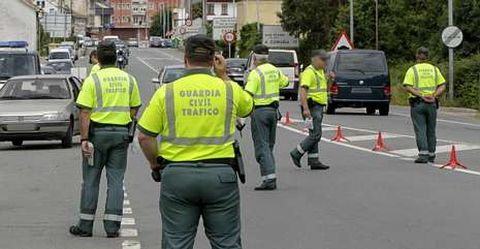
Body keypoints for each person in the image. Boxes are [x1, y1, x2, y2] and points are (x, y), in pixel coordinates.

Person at [137, 34, 253, 249]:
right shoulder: (228, 88)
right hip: (220, 176)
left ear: (185, 59)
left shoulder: (167, 92)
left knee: (176, 242)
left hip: (177, 176)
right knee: (226, 242)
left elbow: (144, 136)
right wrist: (224, 76)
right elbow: (247, 108)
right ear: (213, 60)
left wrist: (155, 165)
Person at [69, 41, 142, 238]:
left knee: (91, 180)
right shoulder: (129, 79)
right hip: (120, 135)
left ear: (98, 59)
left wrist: (84, 138)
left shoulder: (93, 80)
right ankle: (112, 227)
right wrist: (125, 120)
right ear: (116, 57)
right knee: (116, 180)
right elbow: (135, 107)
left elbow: (85, 111)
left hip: (96, 136)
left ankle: (85, 225)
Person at [244, 44, 289, 191]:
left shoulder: (255, 74)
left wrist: (241, 118)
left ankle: (269, 179)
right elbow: (286, 82)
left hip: (259, 112)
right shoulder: (274, 70)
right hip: (273, 111)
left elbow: (248, 95)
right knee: (269, 146)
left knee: (262, 147)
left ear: (255, 57)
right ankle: (270, 173)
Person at [290, 50, 332, 170]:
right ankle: (297, 152)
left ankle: (314, 160)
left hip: (319, 106)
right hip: (312, 106)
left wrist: (330, 79)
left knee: (313, 133)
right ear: (315, 59)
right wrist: (306, 109)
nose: (325, 63)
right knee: (316, 135)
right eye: (323, 60)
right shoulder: (309, 72)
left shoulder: (319, 72)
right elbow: (303, 91)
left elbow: (325, 89)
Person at [403, 47, 446, 163]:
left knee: (420, 128)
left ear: (417, 55)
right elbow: (442, 85)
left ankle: (423, 154)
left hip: (418, 103)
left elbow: (408, 86)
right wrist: (434, 95)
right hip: (432, 103)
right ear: (427, 56)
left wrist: (421, 95)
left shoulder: (413, 70)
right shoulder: (435, 70)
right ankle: (432, 154)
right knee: (431, 129)